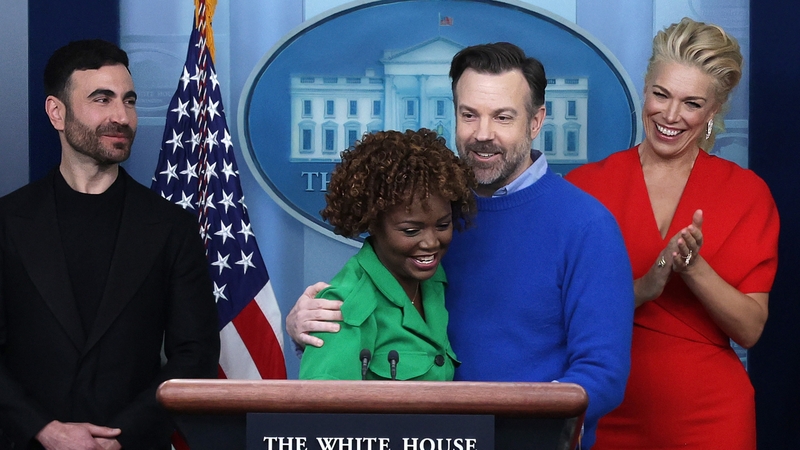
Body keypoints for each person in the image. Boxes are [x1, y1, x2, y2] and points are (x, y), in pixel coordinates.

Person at [287, 42, 634, 448]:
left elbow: (602, 375)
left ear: (536, 121)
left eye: (502, 117)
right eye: (469, 115)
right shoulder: (428, 209)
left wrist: (515, 430)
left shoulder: (588, 226)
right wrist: (308, 325)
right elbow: (376, 310)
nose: (482, 134)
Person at [566, 18, 779, 449]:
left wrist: (694, 268)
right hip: (604, 408)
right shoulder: (585, 187)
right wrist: (643, 288)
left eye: (691, 103)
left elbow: (750, 329)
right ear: (645, 88)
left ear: (713, 111)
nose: (670, 115)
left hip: (711, 418)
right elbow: (556, 314)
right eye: (661, 94)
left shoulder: (746, 193)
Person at [0, 40, 220, 450]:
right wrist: (46, 430)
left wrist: (118, 438)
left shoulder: (172, 227)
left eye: (128, 100)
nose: (122, 116)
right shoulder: (7, 222)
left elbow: (196, 355)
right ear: (56, 112)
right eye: (102, 99)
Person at [299, 129, 476, 381]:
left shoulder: (435, 280)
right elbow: (322, 404)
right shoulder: (343, 305)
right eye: (411, 230)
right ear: (373, 223)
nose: (431, 242)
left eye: (442, 225)